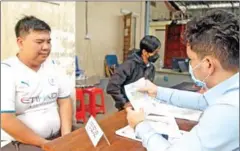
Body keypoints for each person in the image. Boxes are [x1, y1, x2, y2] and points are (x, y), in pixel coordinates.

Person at [126, 9, 239, 151]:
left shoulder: (227, 111)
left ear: (208, 65)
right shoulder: (231, 89)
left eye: (191, 59)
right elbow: (203, 101)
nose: (189, 65)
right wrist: (157, 91)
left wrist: (140, 126)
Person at [1, 16, 73, 151]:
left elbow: (65, 101)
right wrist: (44, 144)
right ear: (20, 43)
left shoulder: (54, 66)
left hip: (55, 137)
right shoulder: (6, 71)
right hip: (20, 142)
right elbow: (5, 119)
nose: (46, 47)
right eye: (39, 42)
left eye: (48, 41)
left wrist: (66, 137)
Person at [107, 35, 161, 111]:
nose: (157, 55)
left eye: (157, 52)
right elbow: (112, 86)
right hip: (128, 108)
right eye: (155, 52)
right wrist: (124, 103)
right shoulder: (129, 65)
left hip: (142, 105)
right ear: (144, 52)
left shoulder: (151, 68)